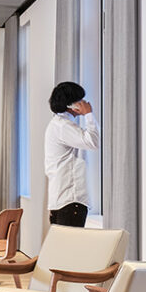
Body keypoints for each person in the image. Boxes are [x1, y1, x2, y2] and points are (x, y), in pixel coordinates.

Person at [44, 81, 98, 231]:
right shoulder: (63, 127)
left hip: (62, 199)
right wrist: (89, 115)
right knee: (71, 251)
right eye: (80, 100)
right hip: (70, 200)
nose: (85, 103)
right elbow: (93, 142)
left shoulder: (59, 125)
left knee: (65, 250)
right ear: (72, 104)